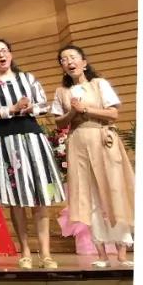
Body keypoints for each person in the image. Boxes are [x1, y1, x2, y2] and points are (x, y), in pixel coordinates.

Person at [0, 38, 65, 270]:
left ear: (11, 54)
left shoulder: (28, 78)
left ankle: (45, 253)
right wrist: (12, 109)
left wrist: (30, 108)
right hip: (6, 140)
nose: (1, 55)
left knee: (41, 196)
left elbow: (45, 105)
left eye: (4, 50)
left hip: (33, 138)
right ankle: (25, 251)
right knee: (16, 198)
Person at [52, 44, 134, 268]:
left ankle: (122, 253)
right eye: (64, 59)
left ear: (84, 62)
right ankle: (102, 254)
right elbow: (59, 122)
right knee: (90, 197)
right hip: (78, 142)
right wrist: (73, 111)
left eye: (73, 57)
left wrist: (85, 109)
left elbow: (113, 113)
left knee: (114, 190)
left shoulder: (99, 84)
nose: (69, 61)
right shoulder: (62, 92)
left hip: (103, 139)